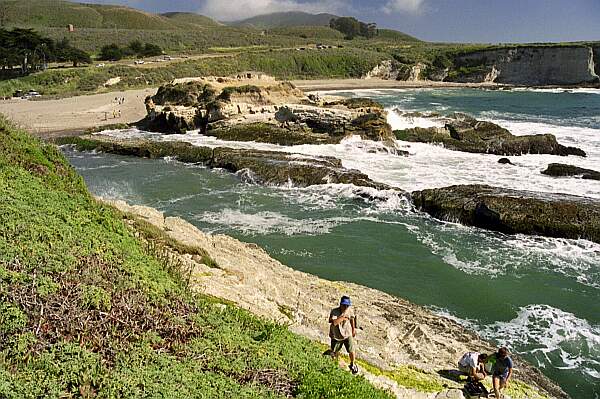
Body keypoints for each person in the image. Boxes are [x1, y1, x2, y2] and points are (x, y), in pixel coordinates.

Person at [329, 295, 358, 374]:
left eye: (347, 305)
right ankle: (334, 364)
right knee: (334, 351)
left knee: (351, 350)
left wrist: (353, 329)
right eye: (344, 305)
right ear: (340, 304)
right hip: (336, 335)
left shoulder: (350, 310)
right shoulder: (334, 311)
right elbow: (334, 322)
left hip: (347, 333)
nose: (345, 307)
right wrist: (343, 317)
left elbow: (352, 319)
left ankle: (352, 363)